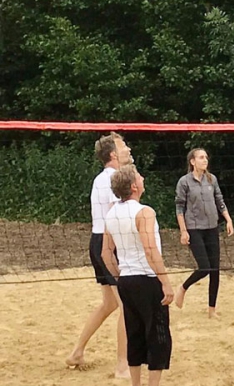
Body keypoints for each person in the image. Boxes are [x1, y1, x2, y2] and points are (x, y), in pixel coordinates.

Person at [102, 165, 174, 386]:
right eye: (140, 176)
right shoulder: (145, 212)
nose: (143, 178)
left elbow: (105, 253)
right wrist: (166, 282)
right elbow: (150, 250)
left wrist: (120, 275)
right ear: (134, 186)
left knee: (134, 334)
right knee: (158, 336)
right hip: (148, 279)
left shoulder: (111, 212)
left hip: (127, 281)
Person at [66, 131, 131, 378]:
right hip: (108, 244)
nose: (129, 150)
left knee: (109, 303)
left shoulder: (103, 178)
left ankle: (77, 352)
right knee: (127, 306)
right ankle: (123, 365)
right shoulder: (112, 178)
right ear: (113, 154)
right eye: (124, 147)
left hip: (98, 241)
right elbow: (116, 214)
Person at [174, 148, 234, 318]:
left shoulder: (211, 179)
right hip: (194, 228)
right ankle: (183, 288)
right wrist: (183, 231)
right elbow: (179, 208)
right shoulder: (184, 182)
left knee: (215, 270)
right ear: (192, 161)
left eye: (206, 157)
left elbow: (219, 200)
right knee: (205, 267)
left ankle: (211, 310)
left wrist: (228, 219)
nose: (205, 160)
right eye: (201, 157)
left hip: (211, 227)